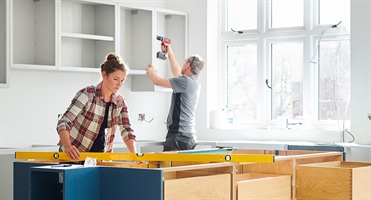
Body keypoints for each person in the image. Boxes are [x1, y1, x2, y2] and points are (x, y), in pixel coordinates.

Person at [57, 53, 138, 160]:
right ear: (104, 75)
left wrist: (135, 155)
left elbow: (127, 131)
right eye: (116, 79)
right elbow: (64, 122)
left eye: (122, 80)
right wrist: (68, 147)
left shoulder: (120, 102)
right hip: (74, 157)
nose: (119, 84)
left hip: (100, 159)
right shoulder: (87, 94)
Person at [146, 44, 205, 151]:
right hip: (187, 136)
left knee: (169, 167)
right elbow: (177, 73)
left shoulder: (185, 82)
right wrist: (170, 52)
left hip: (179, 136)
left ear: (188, 65)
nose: (183, 65)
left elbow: (157, 81)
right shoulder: (192, 82)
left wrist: (151, 72)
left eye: (184, 62)